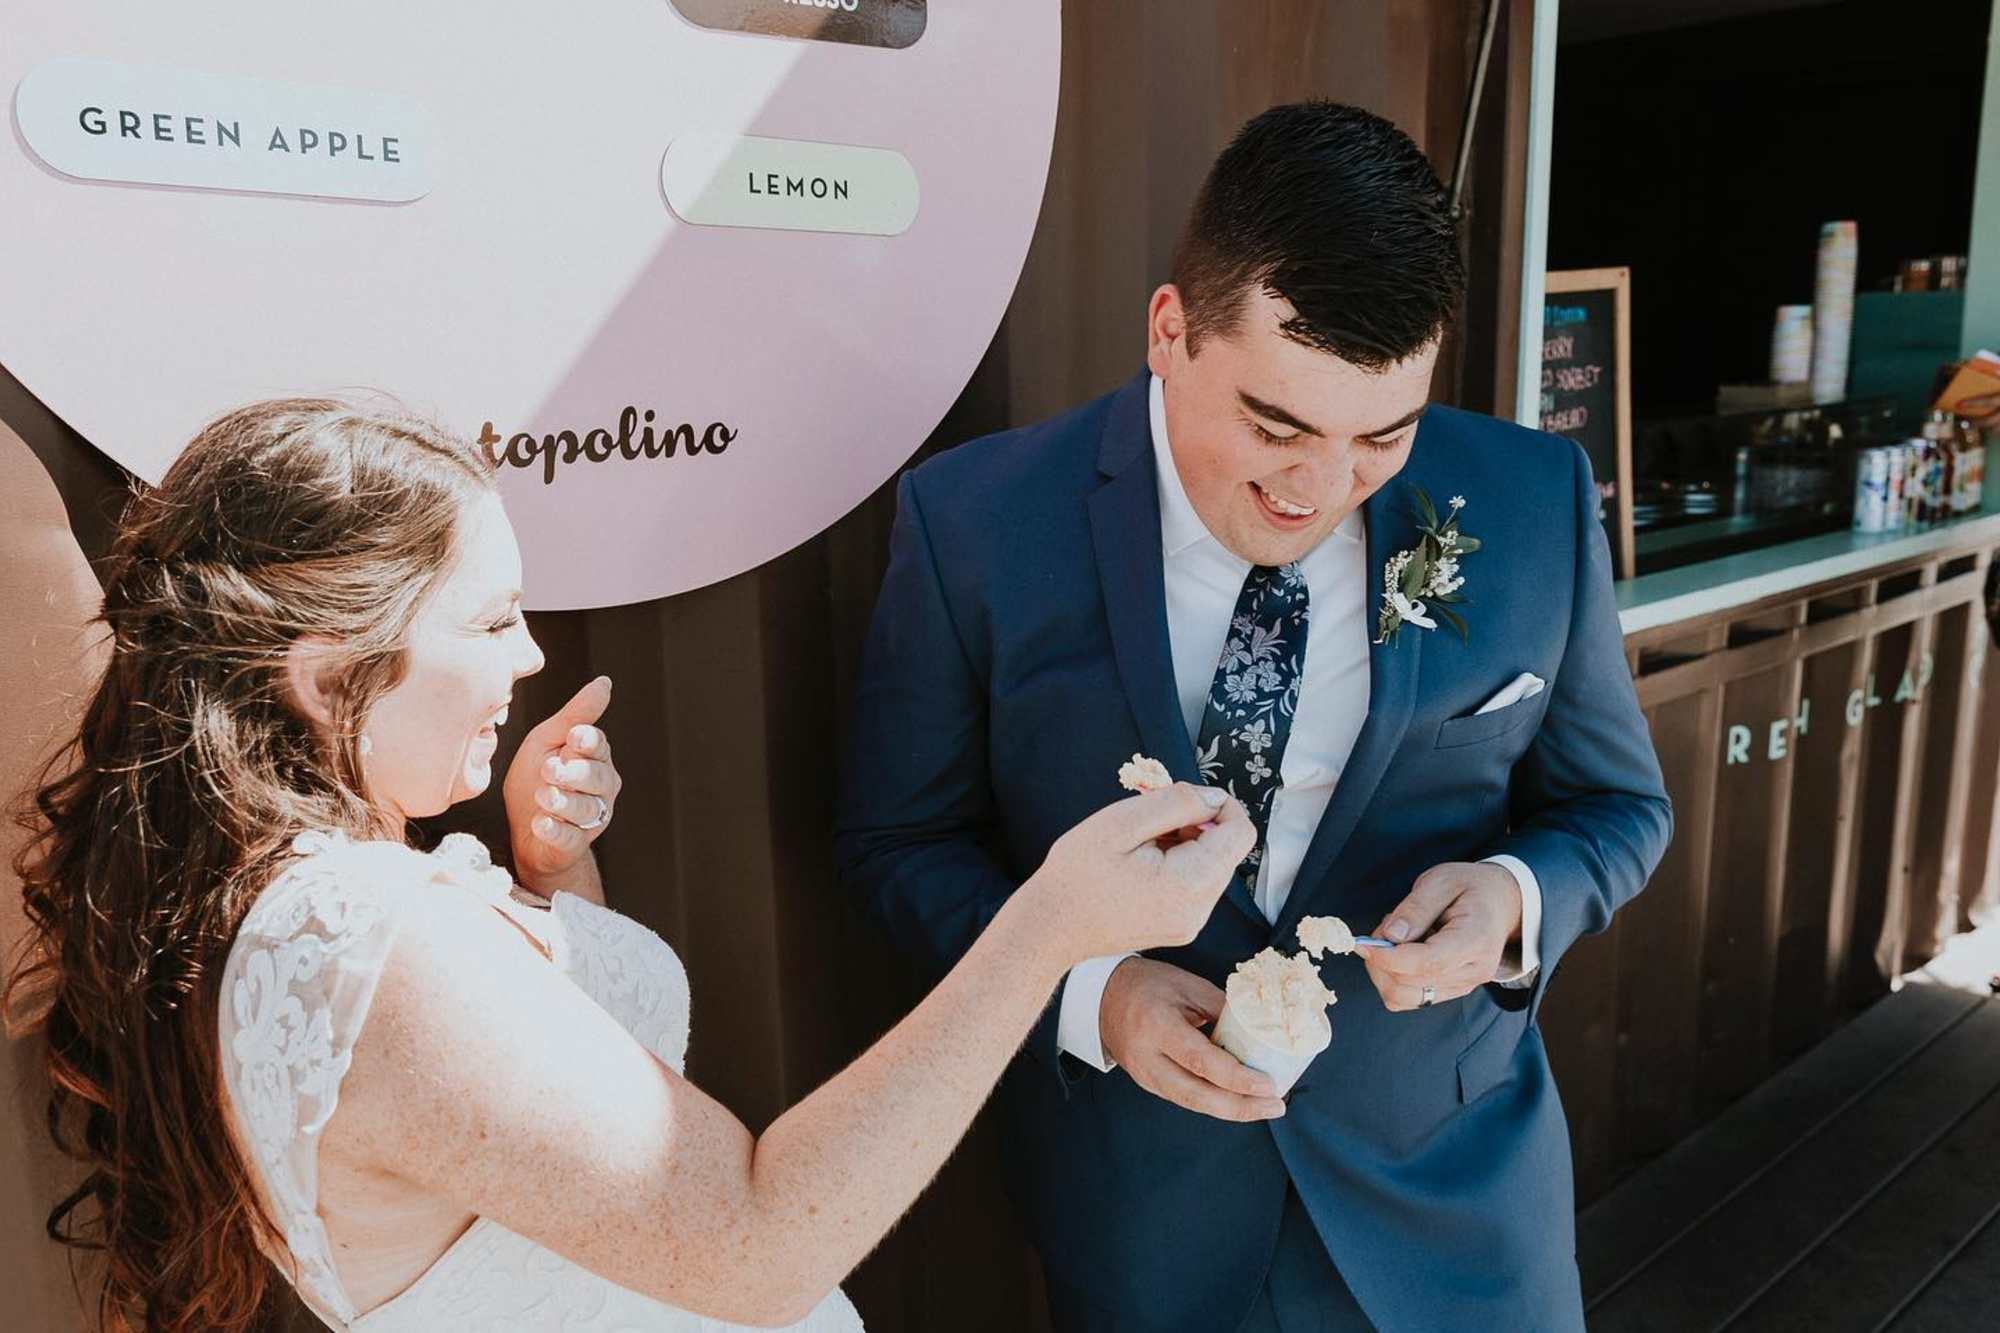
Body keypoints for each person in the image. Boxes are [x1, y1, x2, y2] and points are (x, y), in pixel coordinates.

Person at [3, 398, 1255, 1333]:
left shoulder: (278, 906)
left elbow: (527, 1149)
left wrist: (547, 878)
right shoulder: (366, 939)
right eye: (491, 619)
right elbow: (761, 1245)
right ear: (330, 675)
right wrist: (1046, 929)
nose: (531, 655)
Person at [836, 101, 1673, 1332]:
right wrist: (1094, 994)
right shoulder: (974, 526)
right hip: (1142, 1223)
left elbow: (1617, 806)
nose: (1317, 489)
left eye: (1380, 436)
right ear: (1169, 330)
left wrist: (1512, 897)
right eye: (1275, 425)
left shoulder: (1532, 497)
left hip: (1451, 1211)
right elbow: (894, 848)